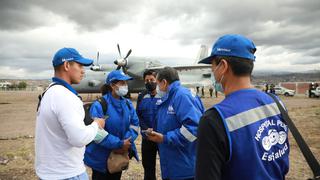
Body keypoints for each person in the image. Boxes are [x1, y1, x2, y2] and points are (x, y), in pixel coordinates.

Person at [196, 34, 289, 180]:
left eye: (212, 65)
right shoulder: (276, 102)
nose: (212, 71)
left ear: (223, 66)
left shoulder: (214, 119)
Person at [35, 47, 105, 180]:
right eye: (80, 65)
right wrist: (97, 124)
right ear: (67, 65)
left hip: (48, 173)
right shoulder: (66, 96)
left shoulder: (49, 92)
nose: (83, 71)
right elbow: (79, 139)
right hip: (68, 174)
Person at [147, 67, 205, 180]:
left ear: (164, 82)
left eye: (158, 84)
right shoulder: (169, 97)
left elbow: (193, 129)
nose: (157, 88)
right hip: (173, 163)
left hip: (184, 167)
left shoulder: (181, 96)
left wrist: (165, 138)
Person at [84, 70, 140, 180]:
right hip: (101, 159)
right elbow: (97, 133)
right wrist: (118, 144)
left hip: (119, 157)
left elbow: (135, 125)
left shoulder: (128, 104)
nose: (125, 86)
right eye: (122, 83)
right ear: (112, 85)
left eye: (125, 83)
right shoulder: (100, 105)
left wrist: (126, 142)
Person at [136, 70, 161, 180]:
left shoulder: (164, 95)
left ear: (157, 80)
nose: (149, 82)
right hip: (147, 137)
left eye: (152, 80)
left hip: (161, 137)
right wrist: (146, 129)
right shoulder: (142, 96)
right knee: (148, 167)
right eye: (146, 80)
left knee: (166, 166)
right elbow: (138, 115)